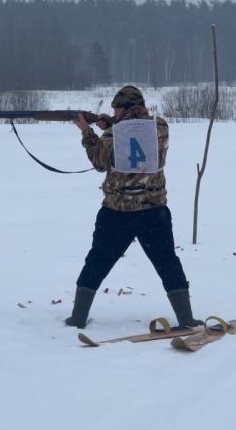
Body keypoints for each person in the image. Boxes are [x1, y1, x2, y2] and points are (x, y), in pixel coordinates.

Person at [65, 85, 202, 329]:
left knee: (97, 262)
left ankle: (77, 318)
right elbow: (134, 136)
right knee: (168, 263)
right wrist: (112, 125)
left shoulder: (113, 134)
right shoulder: (160, 127)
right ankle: (186, 318)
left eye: (116, 109)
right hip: (154, 211)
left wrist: (87, 132)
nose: (114, 113)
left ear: (125, 108)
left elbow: (99, 162)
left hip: (116, 213)